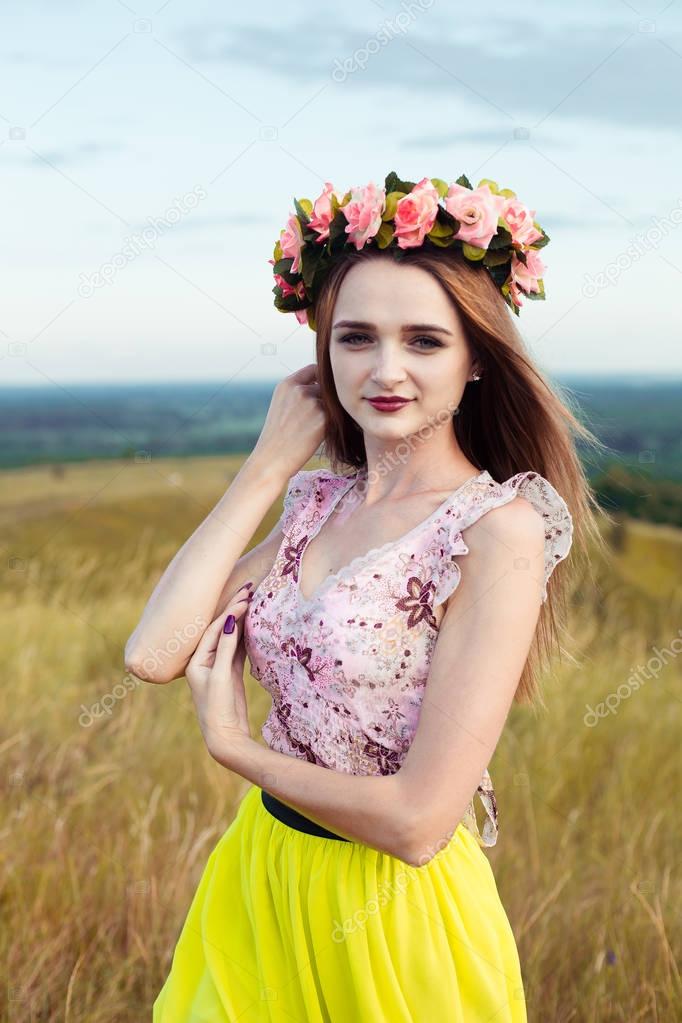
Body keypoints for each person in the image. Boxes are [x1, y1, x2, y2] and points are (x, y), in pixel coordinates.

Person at [129, 172, 605, 1021]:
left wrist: (237, 748)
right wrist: (267, 467)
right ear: (324, 359)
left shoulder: (497, 532)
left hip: (392, 916)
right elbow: (153, 653)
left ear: (476, 362)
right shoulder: (318, 503)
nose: (386, 369)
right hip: (262, 875)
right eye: (356, 339)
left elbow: (420, 822)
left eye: (425, 341)